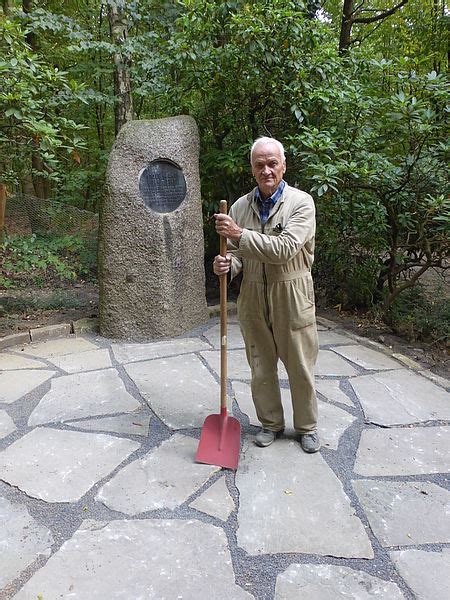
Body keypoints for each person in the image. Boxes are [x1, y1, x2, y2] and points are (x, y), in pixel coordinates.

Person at [213, 136, 320, 453]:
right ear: (252, 169)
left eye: (272, 163)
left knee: (299, 363)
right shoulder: (240, 207)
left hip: (292, 290)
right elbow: (236, 254)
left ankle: (307, 427)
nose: (267, 170)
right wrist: (226, 264)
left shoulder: (302, 203)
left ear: (283, 165)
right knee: (260, 365)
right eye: (260, 164)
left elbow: (286, 249)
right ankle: (270, 423)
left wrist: (239, 234)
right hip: (253, 294)